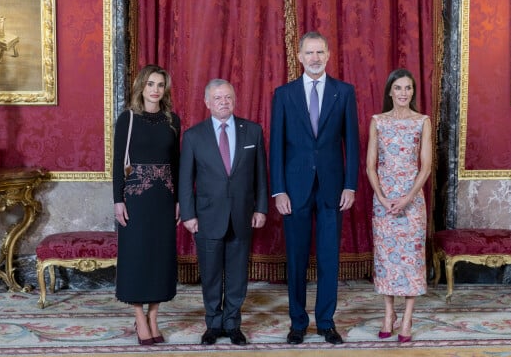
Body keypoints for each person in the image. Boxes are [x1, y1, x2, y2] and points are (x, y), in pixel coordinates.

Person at [269, 31, 360, 345]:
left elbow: (352, 142)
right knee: (295, 259)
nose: (315, 58)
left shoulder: (344, 92)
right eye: (309, 53)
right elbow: (276, 145)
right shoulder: (284, 94)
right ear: (299, 57)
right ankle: (297, 322)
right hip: (294, 190)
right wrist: (278, 190)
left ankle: (326, 322)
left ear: (329, 55)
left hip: (333, 189)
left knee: (328, 257)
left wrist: (350, 185)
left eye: (320, 52)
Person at [178, 78, 268, 346]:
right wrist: (189, 215)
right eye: (218, 98)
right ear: (207, 102)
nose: (224, 102)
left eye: (228, 97)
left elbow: (261, 175)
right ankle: (213, 324)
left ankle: (232, 324)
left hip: (242, 215)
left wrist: (261, 208)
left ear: (235, 99)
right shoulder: (194, 136)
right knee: (211, 275)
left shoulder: (252, 131)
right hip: (207, 217)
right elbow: (185, 180)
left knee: (238, 274)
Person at [113, 64, 181, 345]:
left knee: (160, 257)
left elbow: (176, 163)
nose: (155, 90)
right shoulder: (127, 119)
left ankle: (154, 315)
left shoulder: (172, 120)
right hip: (136, 199)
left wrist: (178, 200)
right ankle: (139, 315)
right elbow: (118, 163)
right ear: (141, 86)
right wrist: (118, 200)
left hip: (164, 198)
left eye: (160, 85)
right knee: (137, 255)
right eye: (151, 84)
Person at [365, 68, 432, 343]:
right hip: (384, 202)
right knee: (386, 261)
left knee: (411, 260)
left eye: (408, 88)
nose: (404, 93)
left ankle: (407, 318)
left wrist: (407, 198)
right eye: (399, 88)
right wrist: (381, 196)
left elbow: (425, 166)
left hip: (412, 202)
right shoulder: (378, 121)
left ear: (413, 92)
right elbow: (370, 165)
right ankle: (389, 314)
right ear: (390, 92)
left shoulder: (422, 121)